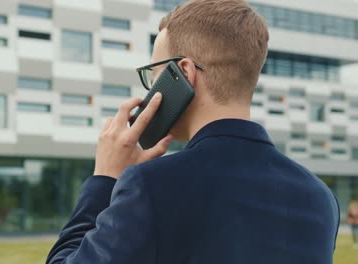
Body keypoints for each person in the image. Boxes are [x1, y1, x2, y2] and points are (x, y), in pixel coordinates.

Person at [46, 0, 340, 263]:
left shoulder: (150, 186)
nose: (151, 89)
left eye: (156, 75)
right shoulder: (320, 198)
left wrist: (104, 178)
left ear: (183, 73)